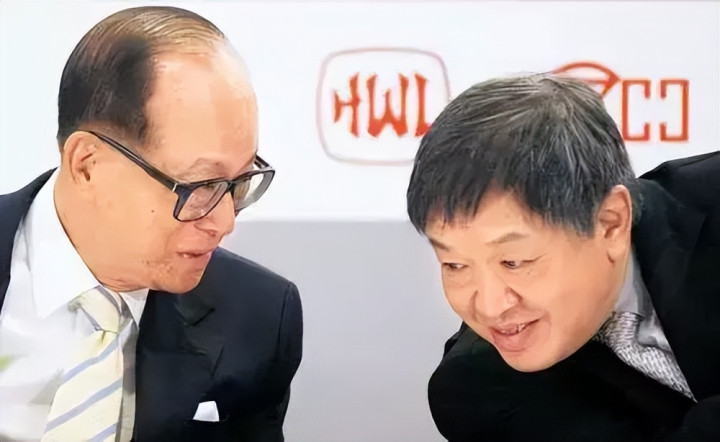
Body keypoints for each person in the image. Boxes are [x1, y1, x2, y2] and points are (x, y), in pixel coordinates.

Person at [0, 6, 302, 442]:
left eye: (239, 182)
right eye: (200, 185)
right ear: (87, 165)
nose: (224, 222)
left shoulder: (258, 319)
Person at [406, 73, 720, 441]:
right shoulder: (479, 393)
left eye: (514, 262)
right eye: (455, 265)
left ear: (610, 222)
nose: (491, 307)